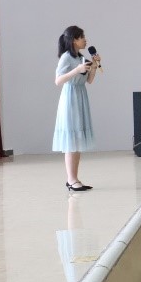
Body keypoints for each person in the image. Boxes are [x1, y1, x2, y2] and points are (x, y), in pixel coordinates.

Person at [53, 25, 98, 191]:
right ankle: (71, 179)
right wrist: (77, 70)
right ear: (74, 40)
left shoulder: (81, 57)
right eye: (82, 37)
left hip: (80, 96)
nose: (85, 40)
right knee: (71, 141)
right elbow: (58, 80)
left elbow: (89, 81)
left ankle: (74, 178)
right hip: (70, 98)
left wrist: (93, 66)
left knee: (77, 141)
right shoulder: (66, 57)